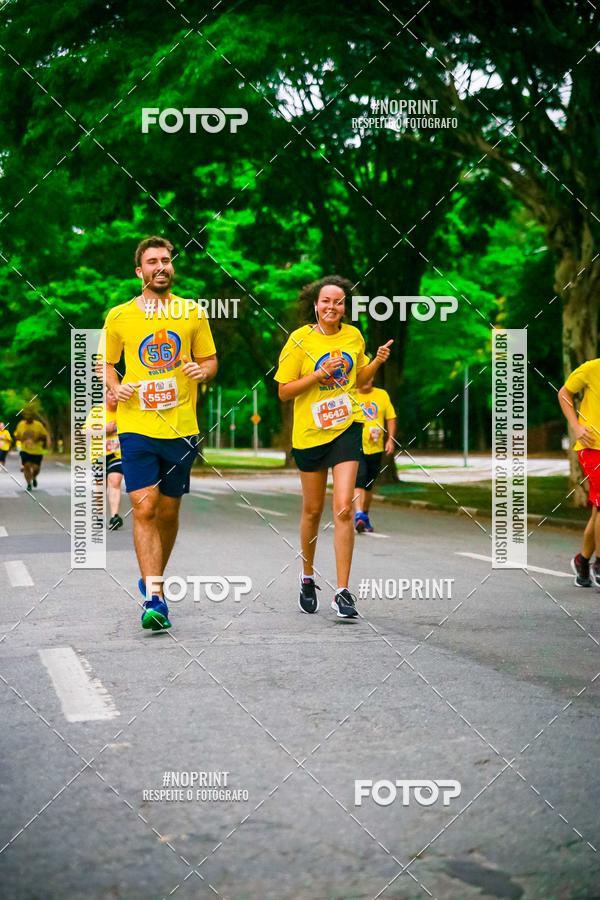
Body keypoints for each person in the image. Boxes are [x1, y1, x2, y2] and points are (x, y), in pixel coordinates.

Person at [103, 235, 217, 631]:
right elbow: (107, 364)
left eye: (166, 260)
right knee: (146, 507)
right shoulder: (119, 316)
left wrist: (201, 371)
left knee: (168, 512)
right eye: (152, 261)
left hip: (182, 427)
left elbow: (210, 361)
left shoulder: (192, 312)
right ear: (140, 271)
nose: (160, 267)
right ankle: (154, 597)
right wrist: (114, 388)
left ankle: (154, 577)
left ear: (173, 266)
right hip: (137, 426)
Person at [275, 275, 393, 619]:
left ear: (345, 307)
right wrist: (318, 374)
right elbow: (284, 391)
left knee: (343, 508)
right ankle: (307, 577)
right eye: (326, 301)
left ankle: (342, 591)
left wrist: (377, 362)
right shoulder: (299, 340)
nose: (332, 307)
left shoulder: (353, 336)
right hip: (310, 433)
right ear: (316, 304)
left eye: (339, 302)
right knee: (312, 511)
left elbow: (358, 380)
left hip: (347, 428)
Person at [558, 361, 600, 587]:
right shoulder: (593, 368)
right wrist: (575, 426)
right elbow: (564, 392)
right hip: (593, 447)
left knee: (598, 508)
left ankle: (582, 560)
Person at [353, 378, 397, 533]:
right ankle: (358, 514)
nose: (366, 381)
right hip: (356, 446)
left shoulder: (382, 395)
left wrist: (390, 440)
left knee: (368, 484)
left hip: (376, 447)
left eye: (369, 377)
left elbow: (391, 417)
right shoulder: (351, 394)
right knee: (359, 478)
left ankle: (364, 515)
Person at [85, 387, 125, 531]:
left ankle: (115, 516)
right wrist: (105, 429)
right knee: (100, 486)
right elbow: (85, 431)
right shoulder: (97, 412)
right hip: (99, 454)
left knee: (115, 481)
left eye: (116, 394)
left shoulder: (124, 411)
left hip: (118, 453)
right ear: (105, 395)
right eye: (111, 394)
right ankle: (100, 514)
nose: (114, 397)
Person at [14, 411, 49, 491]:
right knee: (26, 466)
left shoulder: (38, 425)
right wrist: (21, 439)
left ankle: (34, 477)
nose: (28, 417)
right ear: (24, 416)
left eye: (30, 415)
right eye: (26, 415)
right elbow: (17, 436)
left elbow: (44, 436)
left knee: (36, 468)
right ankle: (29, 484)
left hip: (37, 451)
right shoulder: (20, 424)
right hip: (25, 450)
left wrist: (38, 438)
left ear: (33, 417)